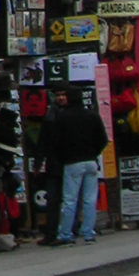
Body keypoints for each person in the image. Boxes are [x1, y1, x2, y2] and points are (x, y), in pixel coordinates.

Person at [43, 87, 109, 245]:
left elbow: (56, 142)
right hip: (91, 161)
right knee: (89, 200)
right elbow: (103, 139)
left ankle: (66, 234)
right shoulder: (92, 115)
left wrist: (62, 157)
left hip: (72, 162)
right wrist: (94, 152)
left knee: (70, 200)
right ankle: (88, 233)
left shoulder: (63, 117)